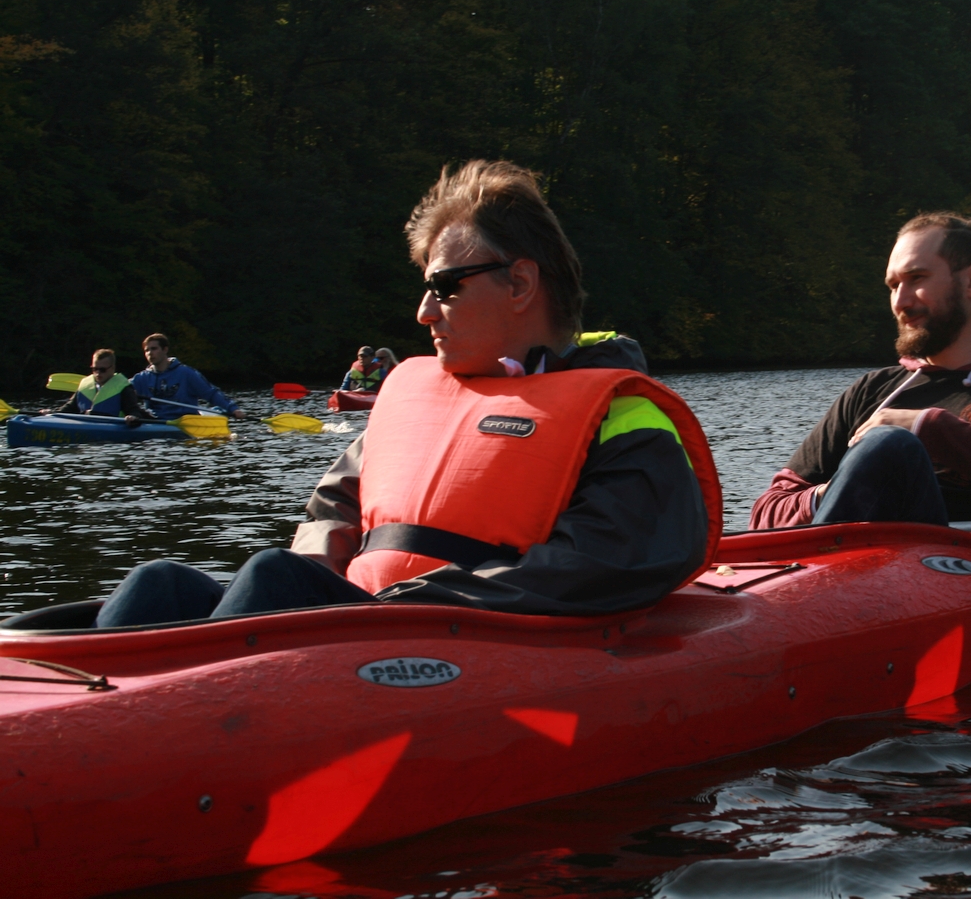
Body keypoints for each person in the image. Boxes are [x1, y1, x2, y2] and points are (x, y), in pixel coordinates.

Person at [95, 160, 719, 627]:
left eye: (445, 287)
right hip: (369, 629)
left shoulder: (622, 414)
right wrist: (331, 586)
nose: (424, 312)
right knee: (159, 583)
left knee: (270, 575)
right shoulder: (410, 398)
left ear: (520, 283)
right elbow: (330, 514)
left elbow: (609, 562)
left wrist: (404, 606)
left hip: (454, 641)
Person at [750, 211, 971, 531]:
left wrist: (928, 427)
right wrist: (849, 487)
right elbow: (766, 512)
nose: (901, 302)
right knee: (886, 447)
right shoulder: (871, 392)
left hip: (959, 565)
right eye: (893, 286)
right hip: (851, 565)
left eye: (917, 278)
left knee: (890, 443)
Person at [132, 334, 247, 420]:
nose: (150, 353)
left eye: (154, 349)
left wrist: (233, 409)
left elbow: (211, 393)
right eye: (146, 350)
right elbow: (123, 389)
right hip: (155, 420)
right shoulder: (141, 378)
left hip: (184, 420)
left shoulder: (186, 373)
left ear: (165, 349)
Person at [48, 349, 156, 426]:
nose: (98, 373)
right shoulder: (85, 385)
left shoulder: (124, 389)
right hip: (85, 426)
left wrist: (133, 417)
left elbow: (134, 411)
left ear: (112, 368)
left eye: (102, 370)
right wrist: (51, 413)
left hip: (113, 430)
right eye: (95, 369)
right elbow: (69, 408)